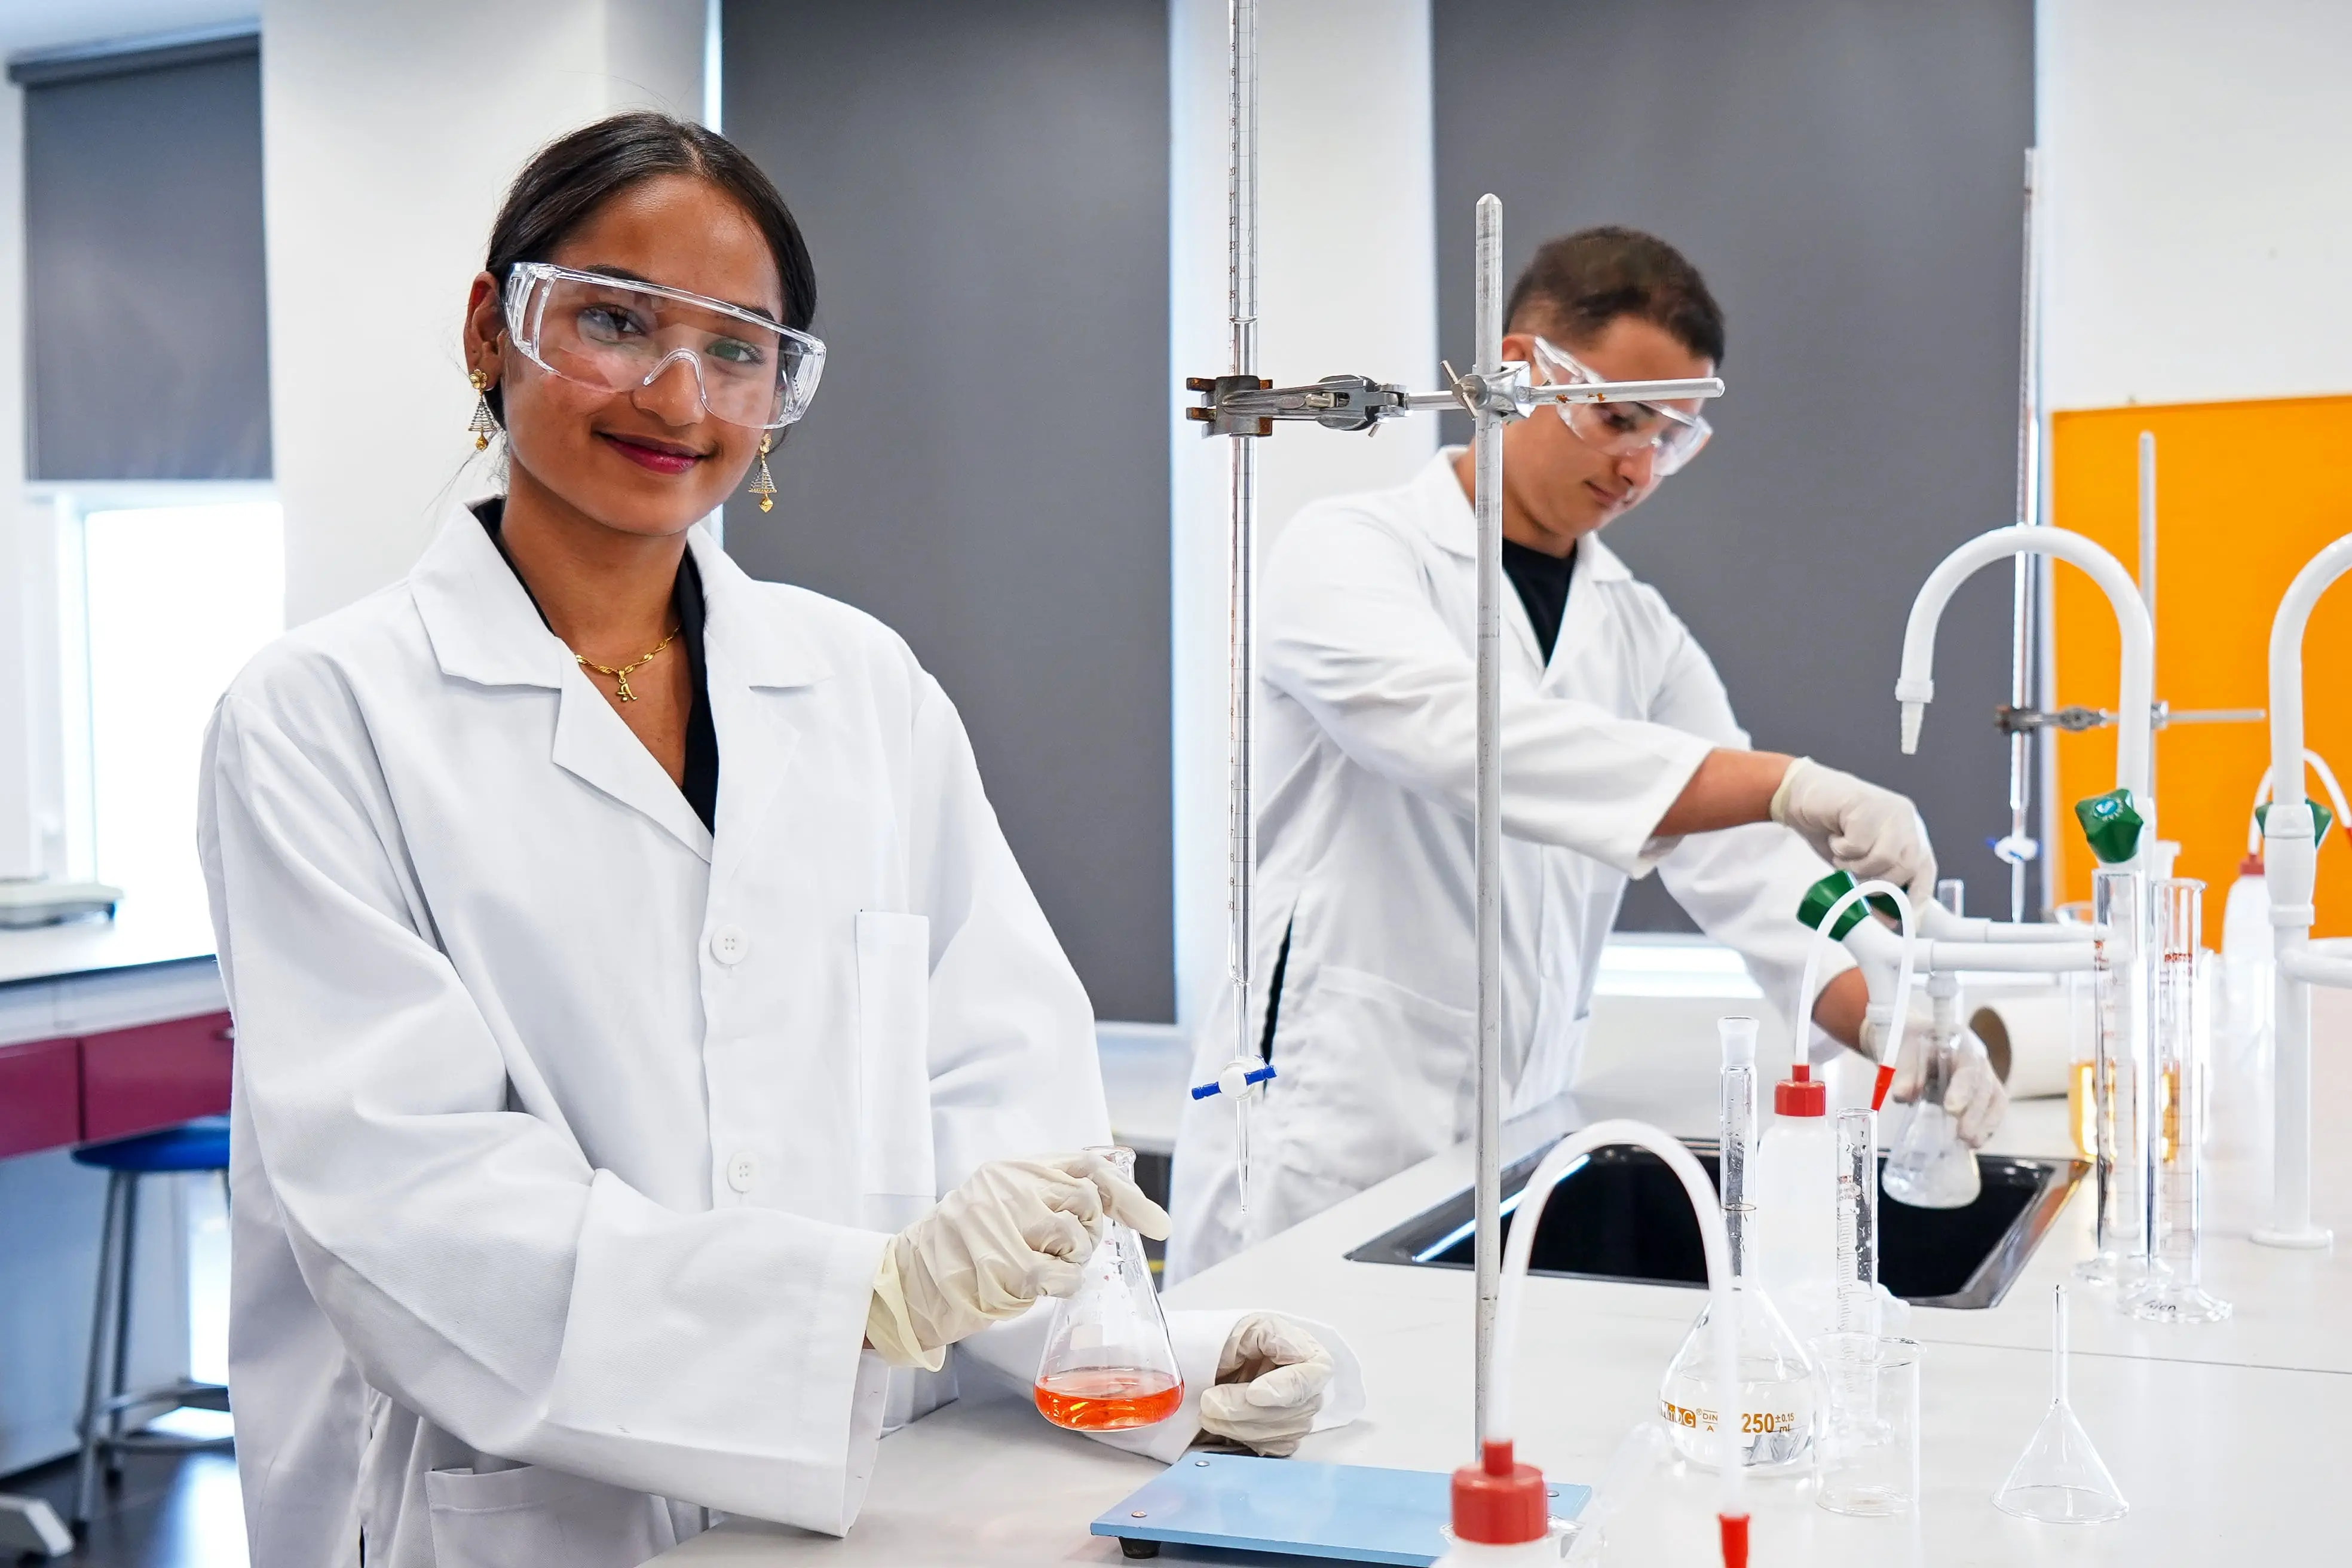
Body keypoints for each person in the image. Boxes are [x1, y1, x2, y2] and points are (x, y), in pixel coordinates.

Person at [199, 112, 1357, 1568]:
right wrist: (858, 1300)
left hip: (889, 1495)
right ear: (496, 329)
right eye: (615, 321)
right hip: (516, 1513)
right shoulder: (322, 717)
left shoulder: (861, 684)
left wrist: (1150, 1352)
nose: (678, 394)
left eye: (739, 350)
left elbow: (999, 1085)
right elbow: (405, 1201)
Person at [1166, 226, 2005, 1282]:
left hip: (1518, 1142)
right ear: (1519, 371)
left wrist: (1898, 1024)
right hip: (1325, 1133)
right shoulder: (1346, 552)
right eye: (1620, 419)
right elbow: (1472, 738)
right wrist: (1784, 782)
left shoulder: (1637, 628)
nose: (1639, 469)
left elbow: (1750, 867)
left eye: (1673, 439)